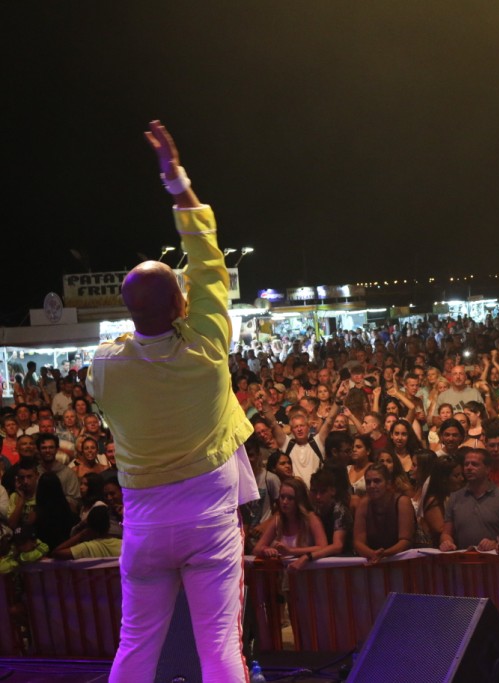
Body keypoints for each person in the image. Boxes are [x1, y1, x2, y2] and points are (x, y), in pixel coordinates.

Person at [86, 122, 259, 682]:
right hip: (208, 519)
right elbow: (207, 256)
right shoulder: (207, 347)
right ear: (183, 306)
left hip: (144, 526)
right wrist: (174, 178)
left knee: (135, 645)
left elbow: (142, 334)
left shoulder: (105, 366)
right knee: (219, 648)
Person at [440, 449, 499, 551]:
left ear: (487, 469)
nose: (469, 468)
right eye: (466, 464)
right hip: (463, 558)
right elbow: (446, 533)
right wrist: (447, 542)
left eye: (474, 464)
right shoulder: (455, 497)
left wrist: (496, 542)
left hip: (493, 558)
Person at [252, 478, 328, 563]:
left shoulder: (311, 518)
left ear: (299, 500)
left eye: (290, 498)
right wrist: (265, 550)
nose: (284, 502)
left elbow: (323, 547)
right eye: (282, 497)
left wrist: (291, 551)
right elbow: (256, 549)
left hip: (307, 572)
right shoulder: (278, 519)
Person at [353, 464, 415, 563]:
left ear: (388, 483)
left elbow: (405, 540)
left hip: (403, 560)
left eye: (377, 481)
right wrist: (373, 554)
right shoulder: (363, 504)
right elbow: (358, 542)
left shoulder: (402, 502)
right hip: (375, 559)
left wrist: (384, 554)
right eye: (368, 482)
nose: (372, 486)